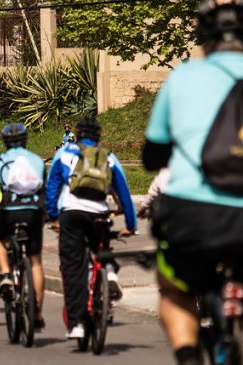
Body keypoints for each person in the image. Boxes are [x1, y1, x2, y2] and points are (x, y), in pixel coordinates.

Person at [143, 2, 243, 364]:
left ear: (203, 39)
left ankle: (188, 357)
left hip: (193, 213)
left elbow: (153, 154)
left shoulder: (183, 78)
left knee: (175, 290)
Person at [45, 117, 136, 339]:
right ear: (99, 136)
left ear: (75, 134)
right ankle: (110, 273)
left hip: (72, 213)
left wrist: (53, 216)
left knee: (73, 268)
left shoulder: (64, 154)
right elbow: (123, 192)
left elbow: (52, 188)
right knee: (102, 248)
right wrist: (130, 224)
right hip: (99, 214)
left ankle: (77, 324)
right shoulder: (109, 157)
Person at [0, 123, 46, 328]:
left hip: (9, 211)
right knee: (36, 262)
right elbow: (44, 190)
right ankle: (38, 314)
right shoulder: (37, 161)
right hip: (33, 212)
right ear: (25, 140)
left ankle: (5, 273)